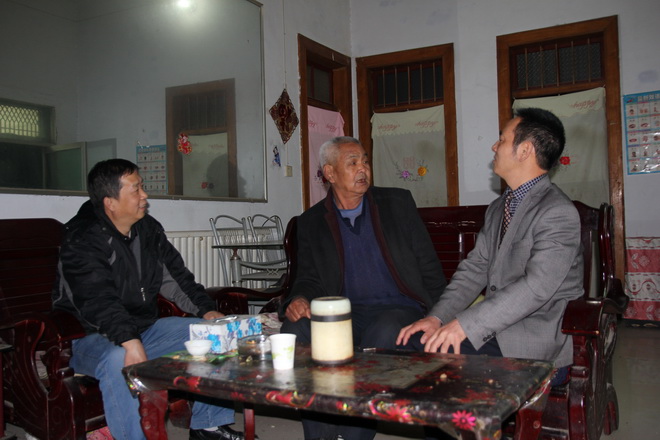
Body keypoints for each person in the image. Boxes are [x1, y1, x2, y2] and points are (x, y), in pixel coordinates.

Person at [52, 159, 245, 440]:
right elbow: (97, 300)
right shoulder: (83, 238)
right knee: (120, 357)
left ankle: (208, 426)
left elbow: (177, 278)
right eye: (136, 189)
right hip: (89, 337)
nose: (145, 195)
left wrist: (207, 312)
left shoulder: (148, 230)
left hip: (143, 330)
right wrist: (130, 342)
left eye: (142, 186)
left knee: (217, 333)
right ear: (110, 202)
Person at [398, 107, 583, 380]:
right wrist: (438, 318)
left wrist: (465, 325)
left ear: (525, 150)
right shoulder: (499, 207)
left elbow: (537, 287)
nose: (494, 146)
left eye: (502, 139)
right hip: (496, 328)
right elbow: (475, 269)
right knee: (413, 341)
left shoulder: (557, 211)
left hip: (531, 341)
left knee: (428, 355)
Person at [281, 136, 447, 440]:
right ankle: (320, 435)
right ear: (330, 173)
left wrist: (442, 315)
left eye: (365, 161)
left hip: (398, 308)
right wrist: (299, 298)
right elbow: (307, 277)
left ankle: (354, 435)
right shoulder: (311, 221)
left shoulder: (397, 203)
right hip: (345, 312)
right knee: (296, 328)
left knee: (383, 332)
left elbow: (428, 264)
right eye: (353, 162)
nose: (363, 169)